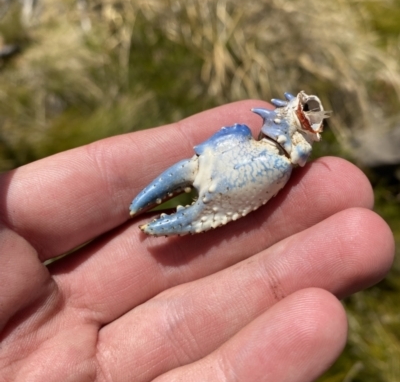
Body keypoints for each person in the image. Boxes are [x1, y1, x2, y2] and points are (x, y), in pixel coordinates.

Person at [0, 100, 394, 381]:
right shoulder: (253, 138)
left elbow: (298, 154)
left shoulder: (284, 156)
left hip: (266, 161)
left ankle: (184, 214)